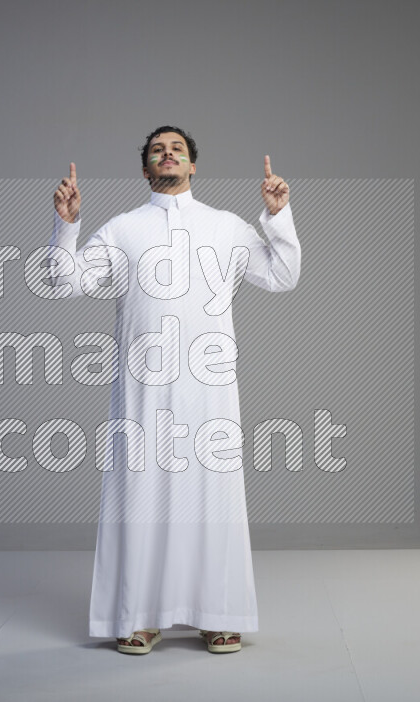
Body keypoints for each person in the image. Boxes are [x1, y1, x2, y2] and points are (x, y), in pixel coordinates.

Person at [48, 126, 300, 654]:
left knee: (212, 498)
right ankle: (138, 616)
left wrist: (278, 216)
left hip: (210, 391)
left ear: (192, 167)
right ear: (145, 169)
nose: (168, 155)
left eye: (177, 150)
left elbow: (282, 275)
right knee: (140, 498)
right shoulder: (121, 229)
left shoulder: (226, 227)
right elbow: (67, 282)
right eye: (158, 151)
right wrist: (66, 227)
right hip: (143, 390)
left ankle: (217, 614)